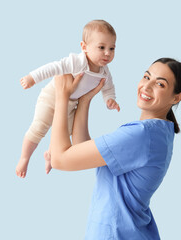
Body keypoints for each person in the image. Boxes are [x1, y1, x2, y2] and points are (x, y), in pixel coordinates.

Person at [50, 57, 181, 239]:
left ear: (177, 97)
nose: (146, 87)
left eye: (160, 84)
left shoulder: (141, 134)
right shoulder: (159, 133)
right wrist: (84, 101)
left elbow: (60, 160)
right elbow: (81, 150)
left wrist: (61, 96)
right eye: (147, 77)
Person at [16, 20, 120, 178]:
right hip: (51, 98)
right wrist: (32, 78)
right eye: (101, 47)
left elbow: (108, 88)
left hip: (71, 105)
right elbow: (53, 67)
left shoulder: (104, 72)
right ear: (84, 47)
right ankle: (24, 158)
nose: (107, 53)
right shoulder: (77, 62)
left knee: (65, 132)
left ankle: (51, 155)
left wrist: (109, 99)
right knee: (39, 127)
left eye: (112, 48)